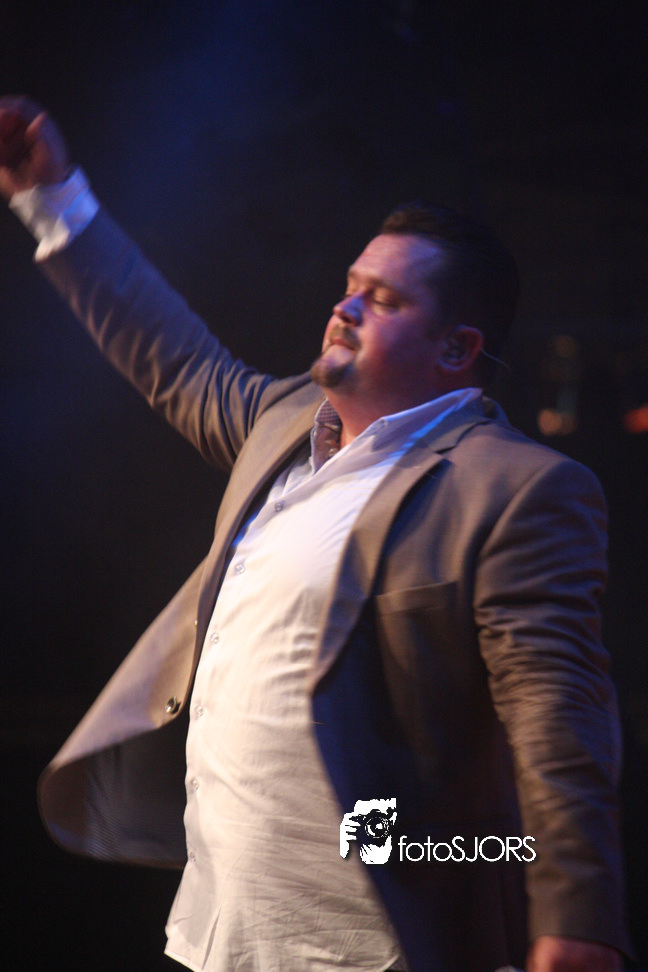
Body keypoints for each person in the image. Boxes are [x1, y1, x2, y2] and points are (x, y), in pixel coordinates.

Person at [0, 96, 631, 972]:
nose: (346, 306)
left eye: (383, 299)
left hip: (369, 951)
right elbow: (167, 350)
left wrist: (577, 917)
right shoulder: (282, 422)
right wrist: (51, 197)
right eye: (350, 285)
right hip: (217, 937)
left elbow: (555, 712)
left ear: (456, 349)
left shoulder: (516, 487)